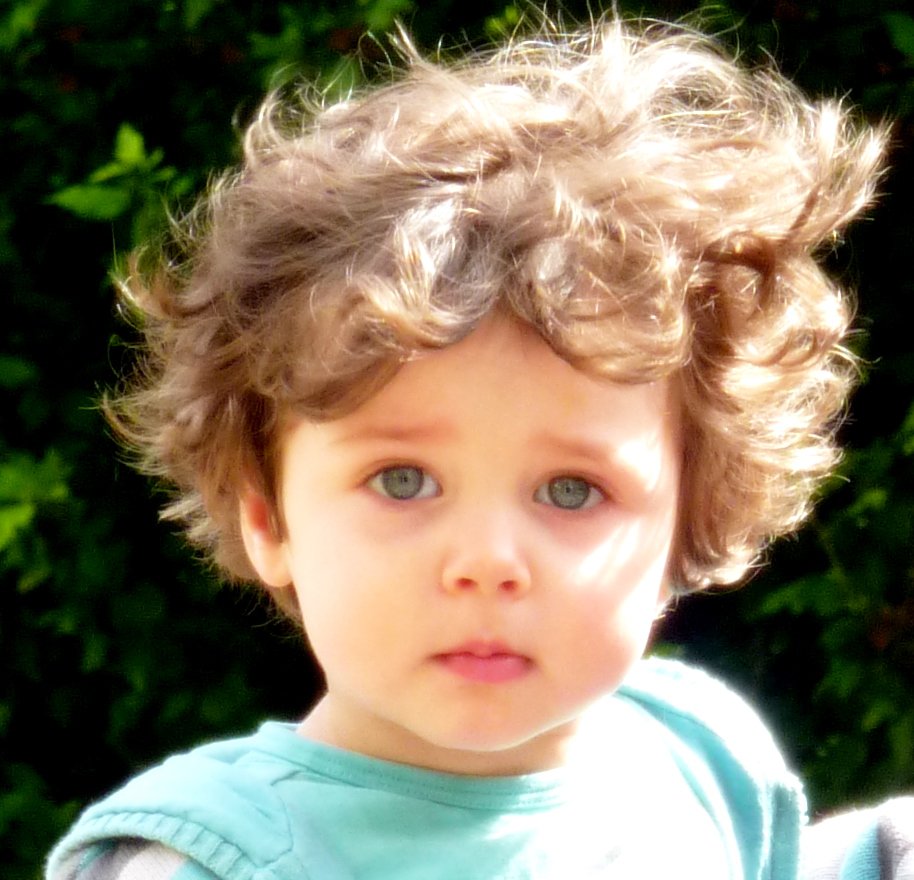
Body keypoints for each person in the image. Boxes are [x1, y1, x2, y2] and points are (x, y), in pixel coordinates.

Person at [46, 13, 896, 880]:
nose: (488, 563)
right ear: (267, 518)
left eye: (571, 490)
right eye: (402, 479)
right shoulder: (206, 866)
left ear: (691, 520)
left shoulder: (696, 762)